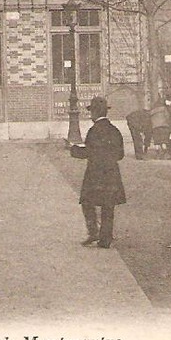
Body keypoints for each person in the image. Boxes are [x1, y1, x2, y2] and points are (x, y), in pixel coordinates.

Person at [70, 96, 126, 248]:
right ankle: (105, 238)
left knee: (87, 202)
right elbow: (120, 155)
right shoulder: (115, 131)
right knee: (108, 206)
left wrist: (73, 149)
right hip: (111, 173)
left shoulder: (93, 131)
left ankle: (93, 232)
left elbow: (87, 152)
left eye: (92, 112)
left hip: (95, 173)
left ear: (94, 113)